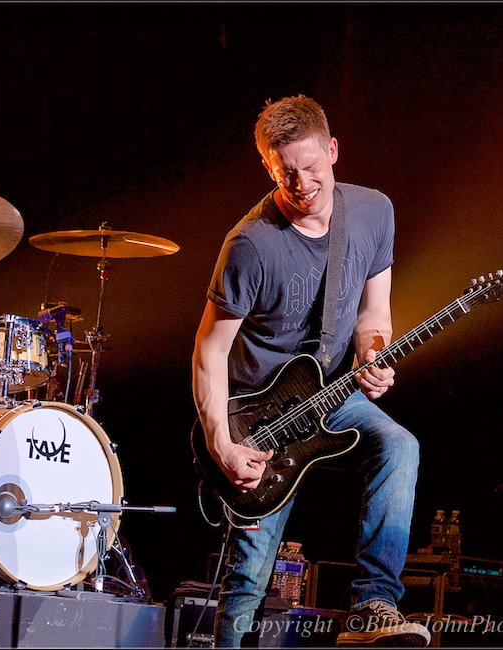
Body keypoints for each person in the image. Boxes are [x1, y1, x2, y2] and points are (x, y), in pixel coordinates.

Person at [191, 95, 431, 647]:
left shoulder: (373, 212)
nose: (302, 185)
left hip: (328, 393)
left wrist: (373, 354)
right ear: (268, 166)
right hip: (258, 417)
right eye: (286, 173)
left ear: (333, 149)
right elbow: (209, 351)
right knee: (248, 580)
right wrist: (223, 445)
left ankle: (373, 604)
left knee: (401, 445)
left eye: (312, 167)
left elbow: (374, 314)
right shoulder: (250, 244)